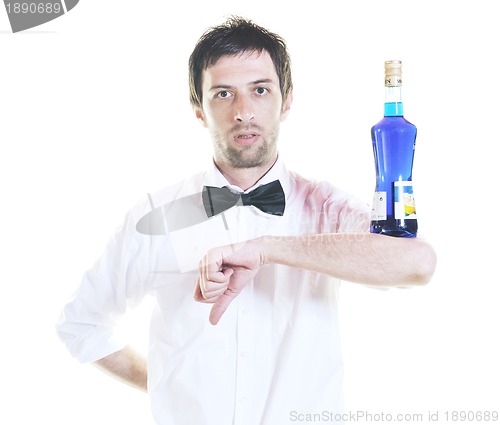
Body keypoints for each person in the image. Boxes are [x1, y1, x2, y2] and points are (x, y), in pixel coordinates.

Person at [56, 16, 436, 425]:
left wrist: (265, 249)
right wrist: (165, 384)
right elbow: (81, 324)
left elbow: (417, 263)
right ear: (199, 109)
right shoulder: (156, 216)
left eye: (260, 90)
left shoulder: (325, 208)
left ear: (286, 100)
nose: (243, 112)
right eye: (223, 94)